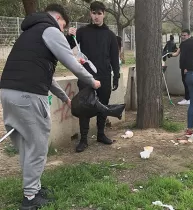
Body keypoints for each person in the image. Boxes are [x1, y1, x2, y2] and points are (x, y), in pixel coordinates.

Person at [0, 4, 101, 209]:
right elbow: (72, 62)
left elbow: (47, 77)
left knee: (27, 147)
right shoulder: (50, 29)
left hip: (8, 92)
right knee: (37, 146)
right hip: (29, 95)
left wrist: (65, 98)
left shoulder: (30, 34)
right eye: (64, 25)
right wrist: (92, 81)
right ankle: (30, 198)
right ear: (57, 17)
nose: (63, 30)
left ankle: (33, 187)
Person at [67, 1, 120, 153]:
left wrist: (115, 76)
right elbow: (70, 47)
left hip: (104, 75)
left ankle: (101, 134)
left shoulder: (110, 35)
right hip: (86, 75)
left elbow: (114, 57)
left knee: (103, 105)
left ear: (104, 14)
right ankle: (83, 139)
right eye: (94, 13)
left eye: (99, 13)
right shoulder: (82, 32)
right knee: (85, 106)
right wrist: (70, 36)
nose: (96, 16)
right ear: (90, 13)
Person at [171, 29, 191, 105]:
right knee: (184, 82)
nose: (183, 37)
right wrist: (169, 55)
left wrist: (187, 67)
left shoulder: (191, 44)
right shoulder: (182, 44)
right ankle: (187, 98)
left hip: (187, 67)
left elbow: (190, 57)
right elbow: (177, 53)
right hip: (182, 66)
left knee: (187, 83)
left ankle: (189, 99)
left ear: (189, 35)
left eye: (184, 35)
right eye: (182, 35)